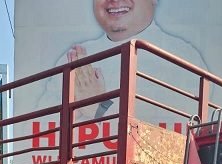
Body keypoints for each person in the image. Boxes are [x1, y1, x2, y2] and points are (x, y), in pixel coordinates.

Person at [38, 0, 209, 121]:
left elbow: (178, 135)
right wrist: (72, 112)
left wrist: (99, 108)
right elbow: (39, 128)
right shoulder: (75, 57)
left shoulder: (184, 57)